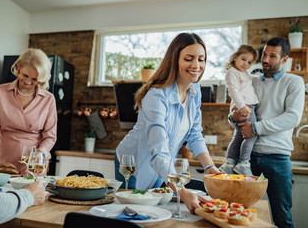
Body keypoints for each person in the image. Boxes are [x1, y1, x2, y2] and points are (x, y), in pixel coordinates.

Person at [114, 33, 220, 212]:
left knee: (155, 211)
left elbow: (194, 134)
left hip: (162, 165)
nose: (196, 65)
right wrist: (183, 193)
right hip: (132, 164)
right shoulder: (157, 95)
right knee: (134, 214)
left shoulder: (195, 91)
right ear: (174, 60)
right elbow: (159, 149)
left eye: (201, 59)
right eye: (188, 59)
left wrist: (209, 166)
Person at [229, 37, 305, 228]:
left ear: (284, 59)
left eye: (272, 56)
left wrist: (256, 128)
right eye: (264, 54)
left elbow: (292, 118)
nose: (265, 59)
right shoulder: (251, 81)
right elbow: (236, 110)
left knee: (282, 219)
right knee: (238, 215)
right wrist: (233, 118)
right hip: (247, 159)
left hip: (277, 160)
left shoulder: (294, 82)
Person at [0, 48, 57, 174]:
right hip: (2, 162)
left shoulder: (48, 99)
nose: (28, 82)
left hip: (33, 165)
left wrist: (39, 154)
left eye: (34, 79)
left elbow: (50, 136)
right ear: (18, 68)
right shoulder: (0, 92)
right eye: (25, 75)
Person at [219, 45, 258, 176]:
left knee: (239, 136)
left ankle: (229, 163)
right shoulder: (232, 72)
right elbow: (233, 90)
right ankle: (244, 163)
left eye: (249, 62)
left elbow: (247, 83)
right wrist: (242, 106)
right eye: (243, 59)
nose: (246, 64)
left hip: (244, 106)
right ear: (235, 57)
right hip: (244, 106)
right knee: (252, 134)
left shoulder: (244, 73)